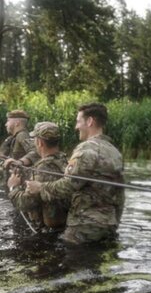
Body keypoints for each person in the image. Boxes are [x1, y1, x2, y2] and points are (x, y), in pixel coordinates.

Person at [27, 103, 125, 244]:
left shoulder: (87, 149)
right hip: (109, 224)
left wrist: (40, 187)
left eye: (78, 121)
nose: (76, 127)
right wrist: (115, 221)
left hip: (84, 227)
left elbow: (68, 185)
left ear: (90, 121)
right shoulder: (114, 151)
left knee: (72, 264)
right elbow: (120, 193)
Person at [7, 122, 69, 232]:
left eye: (34, 139)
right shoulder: (64, 159)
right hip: (64, 224)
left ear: (39, 142)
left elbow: (26, 203)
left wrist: (13, 187)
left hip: (49, 231)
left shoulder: (43, 167)